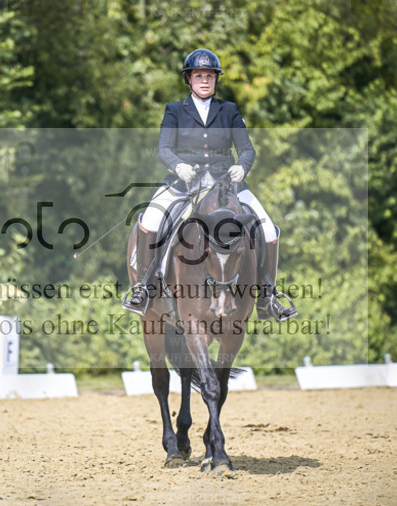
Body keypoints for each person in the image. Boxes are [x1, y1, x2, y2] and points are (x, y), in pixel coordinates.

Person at [122, 48, 297, 322]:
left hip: (227, 184)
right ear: (189, 80)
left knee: (268, 228)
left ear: (216, 80)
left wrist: (242, 166)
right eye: (199, 75)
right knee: (151, 220)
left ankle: (268, 296)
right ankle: (144, 286)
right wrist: (177, 165)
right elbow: (164, 149)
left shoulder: (229, 111)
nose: (204, 80)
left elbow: (247, 149)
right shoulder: (175, 111)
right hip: (184, 183)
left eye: (209, 76)